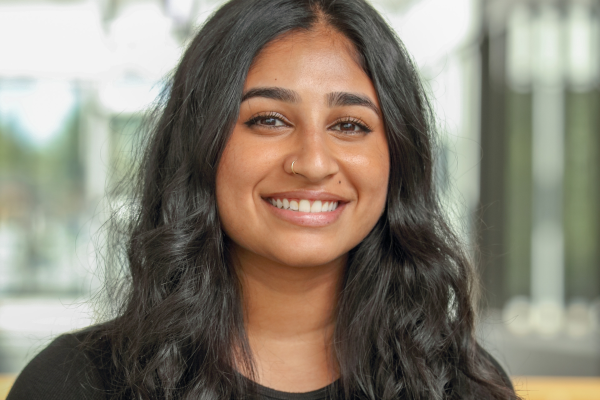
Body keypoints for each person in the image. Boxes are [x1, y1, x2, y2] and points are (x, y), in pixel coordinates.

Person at [7, 0, 517, 399]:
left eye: (350, 125)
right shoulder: (74, 384)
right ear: (199, 146)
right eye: (268, 119)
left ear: (398, 159)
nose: (314, 162)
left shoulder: (462, 386)